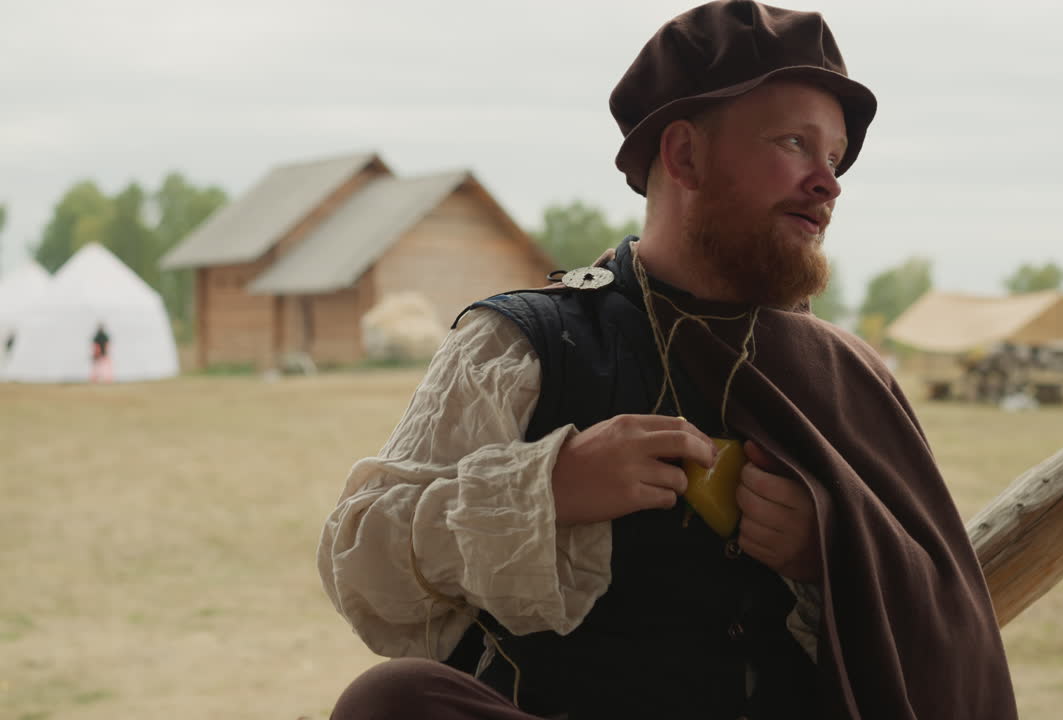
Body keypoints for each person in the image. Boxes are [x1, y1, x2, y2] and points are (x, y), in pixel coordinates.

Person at [318, 2, 1019, 718]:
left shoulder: (847, 379)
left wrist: (829, 557)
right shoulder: (521, 348)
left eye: (834, 158)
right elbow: (363, 565)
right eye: (794, 144)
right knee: (394, 702)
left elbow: (941, 620)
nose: (827, 182)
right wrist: (548, 488)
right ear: (685, 155)